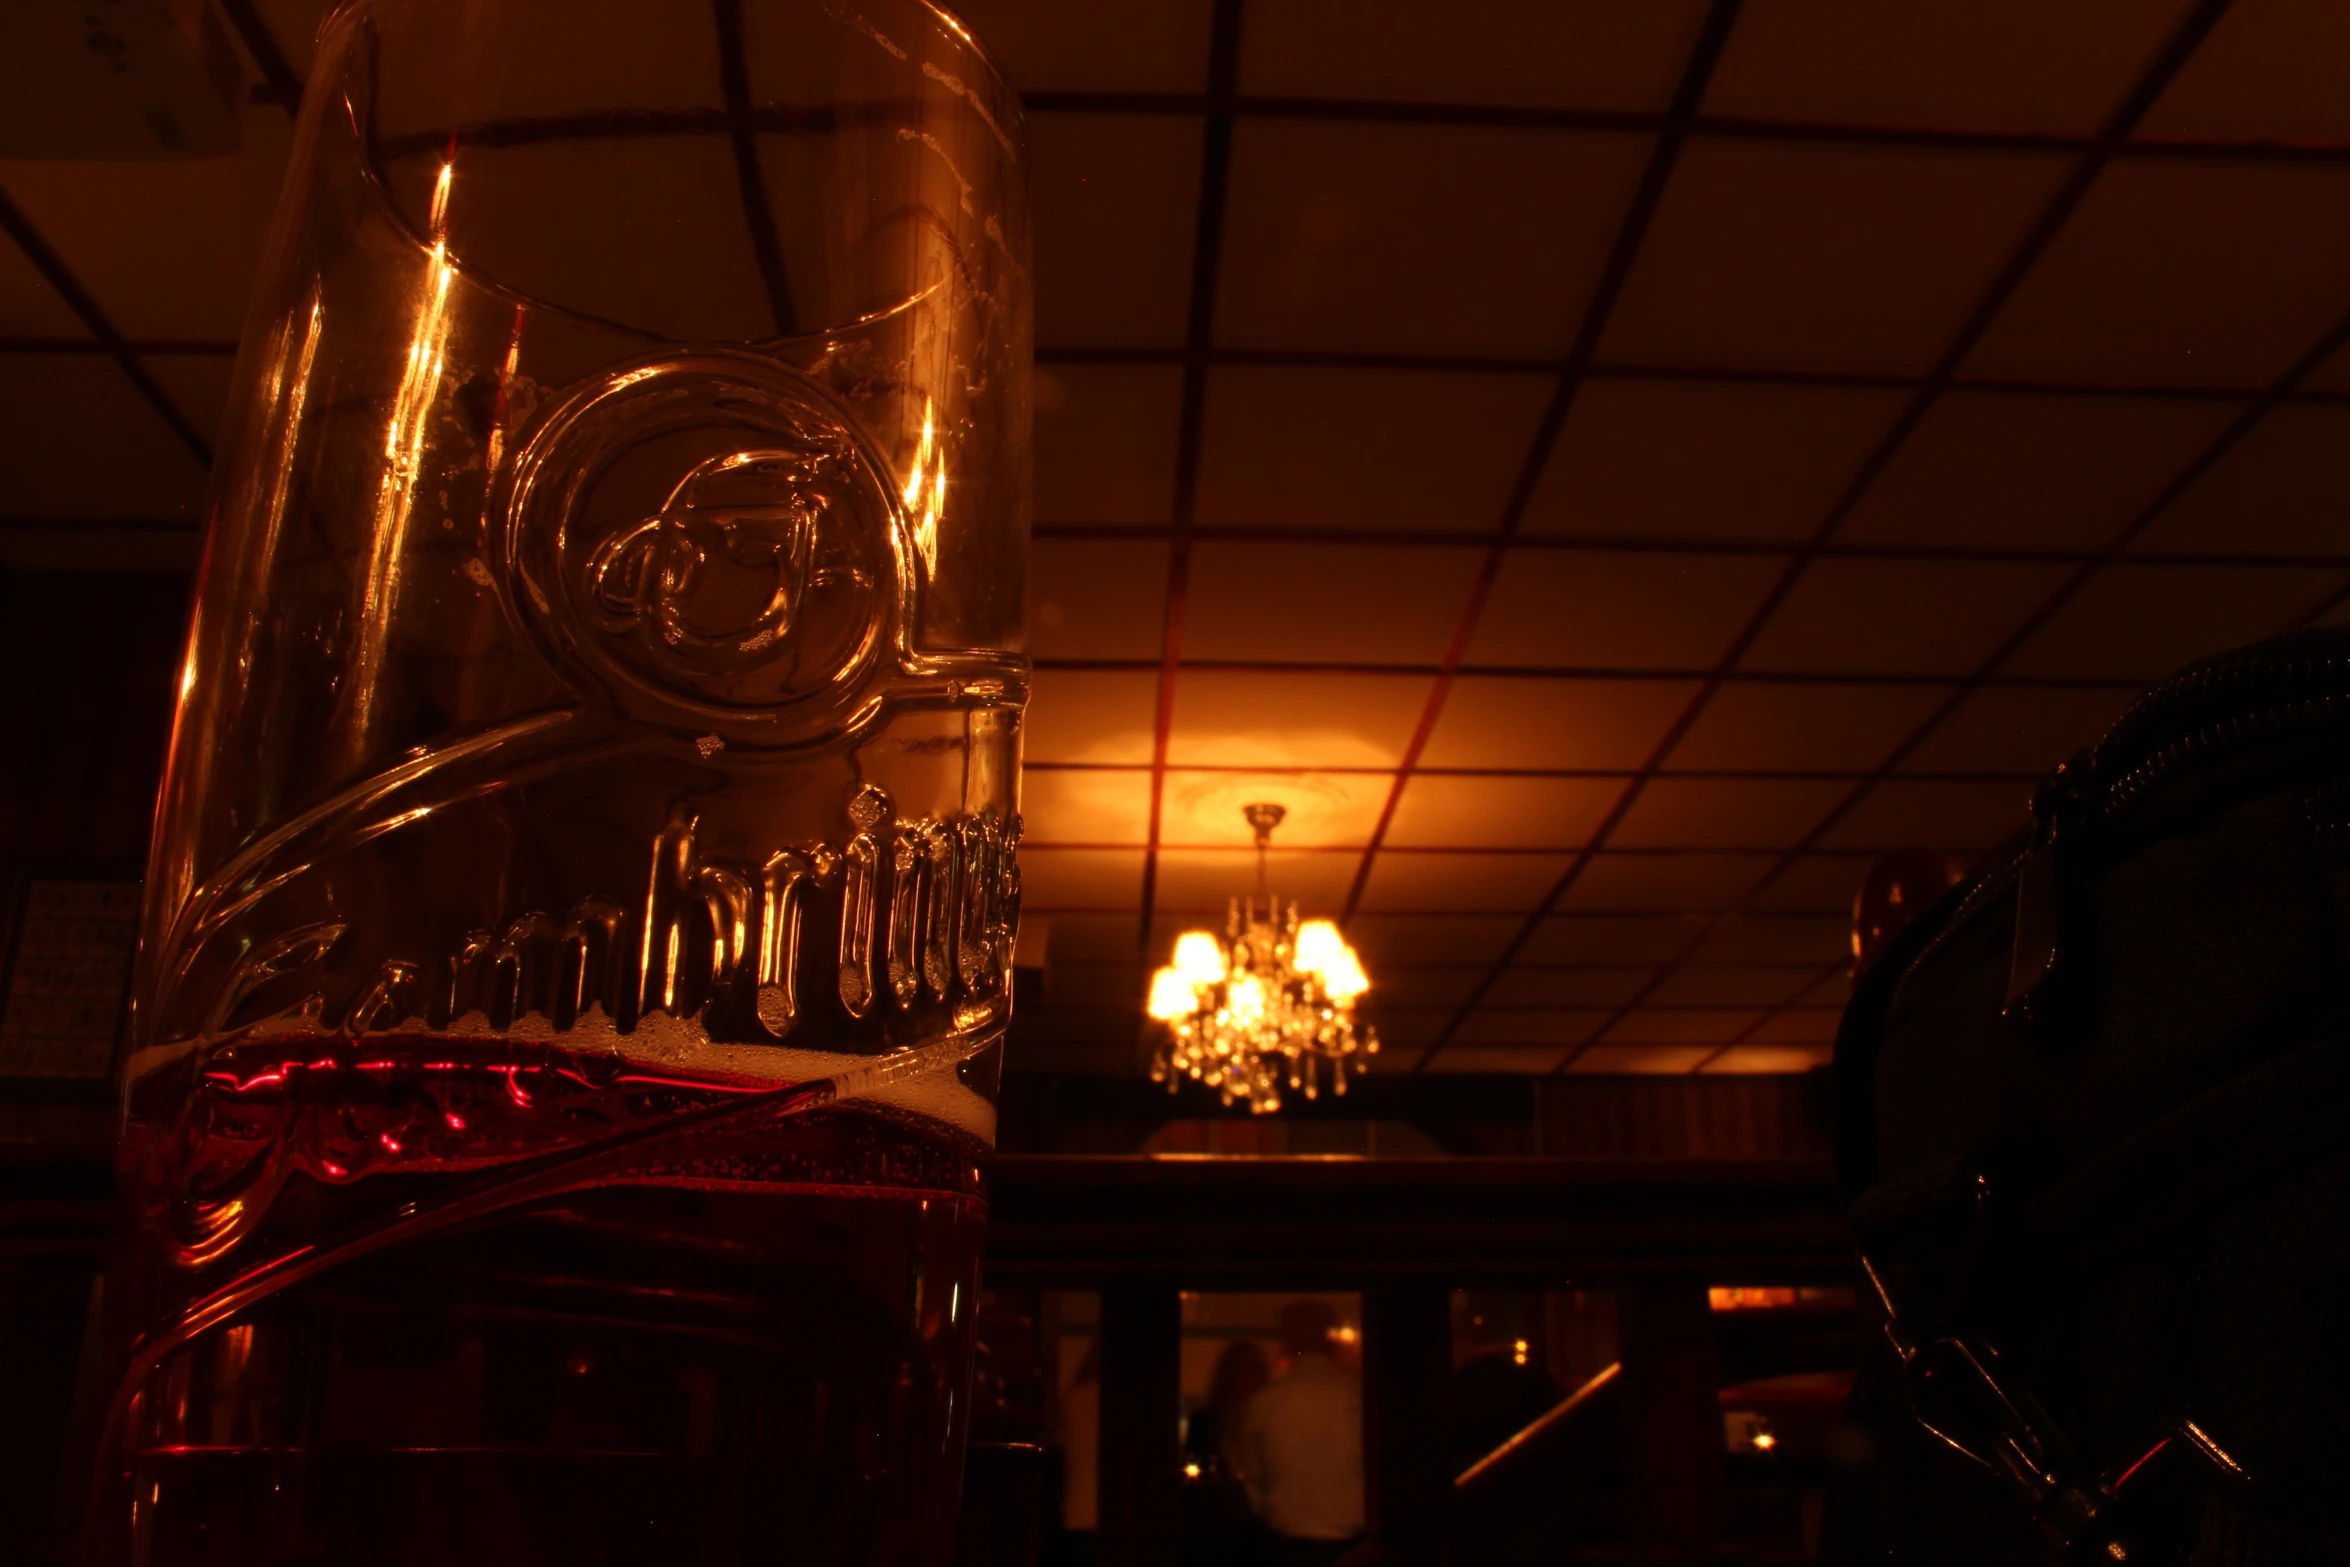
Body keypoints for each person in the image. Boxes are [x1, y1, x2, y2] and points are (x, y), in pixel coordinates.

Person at [1237, 1301, 1364, 1566]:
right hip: (1354, 1548)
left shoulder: (1265, 1402)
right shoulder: (1359, 1397)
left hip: (1286, 1547)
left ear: (1287, 1339)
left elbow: (1254, 1483)